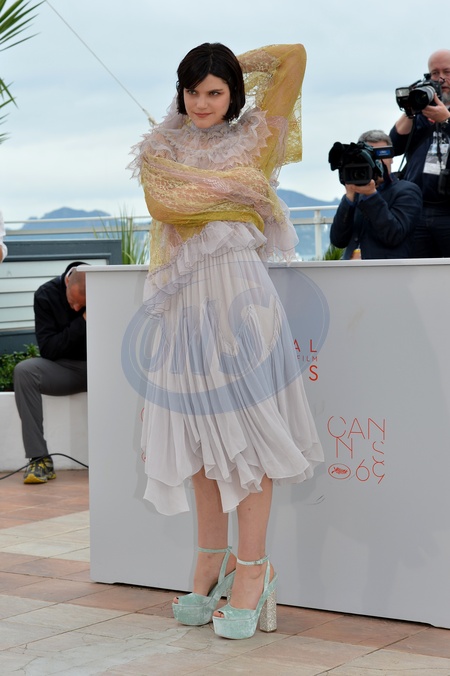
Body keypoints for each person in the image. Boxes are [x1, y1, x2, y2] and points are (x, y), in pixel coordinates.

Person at [128, 43, 323, 640]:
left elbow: (293, 57)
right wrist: (240, 192)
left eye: (215, 91)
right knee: (197, 440)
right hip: (184, 305)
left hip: (242, 300)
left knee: (251, 439)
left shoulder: (256, 137)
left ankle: (254, 570)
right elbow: (163, 203)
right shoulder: (159, 148)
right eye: (192, 90)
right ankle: (211, 563)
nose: (202, 102)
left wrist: (226, 62)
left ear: (233, 93)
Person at [14, 262, 87, 484]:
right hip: (66, 369)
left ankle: (123, 454)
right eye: (73, 302)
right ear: (67, 282)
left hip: (105, 368)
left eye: (82, 304)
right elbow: (49, 350)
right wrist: (83, 322)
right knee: (24, 372)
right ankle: (39, 459)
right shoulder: (45, 295)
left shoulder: (107, 289)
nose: (76, 308)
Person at [390, 49, 450, 257]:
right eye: (435, 73)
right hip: (418, 207)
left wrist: (446, 119)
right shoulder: (421, 112)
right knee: (420, 271)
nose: (441, 78)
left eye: (447, 72)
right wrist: (411, 108)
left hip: (448, 209)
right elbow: (394, 146)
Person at [330, 130, 423, 259]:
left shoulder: (407, 191)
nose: (377, 162)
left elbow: (393, 236)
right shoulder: (356, 193)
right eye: (370, 156)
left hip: (386, 268)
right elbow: (338, 240)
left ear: (391, 158)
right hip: (352, 268)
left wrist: (371, 195)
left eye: (381, 155)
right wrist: (349, 198)